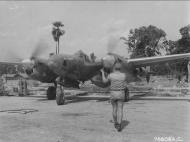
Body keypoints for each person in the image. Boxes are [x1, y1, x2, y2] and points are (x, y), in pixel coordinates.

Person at [101, 62, 127, 132]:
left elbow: (104, 81)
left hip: (113, 93)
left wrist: (103, 73)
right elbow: (125, 85)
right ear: (120, 68)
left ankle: (116, 123)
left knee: (114, 109)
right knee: (120, 109)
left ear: (114, 68)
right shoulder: (124, 75)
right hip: (121, 93)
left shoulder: (111, 75)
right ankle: (120, 124)